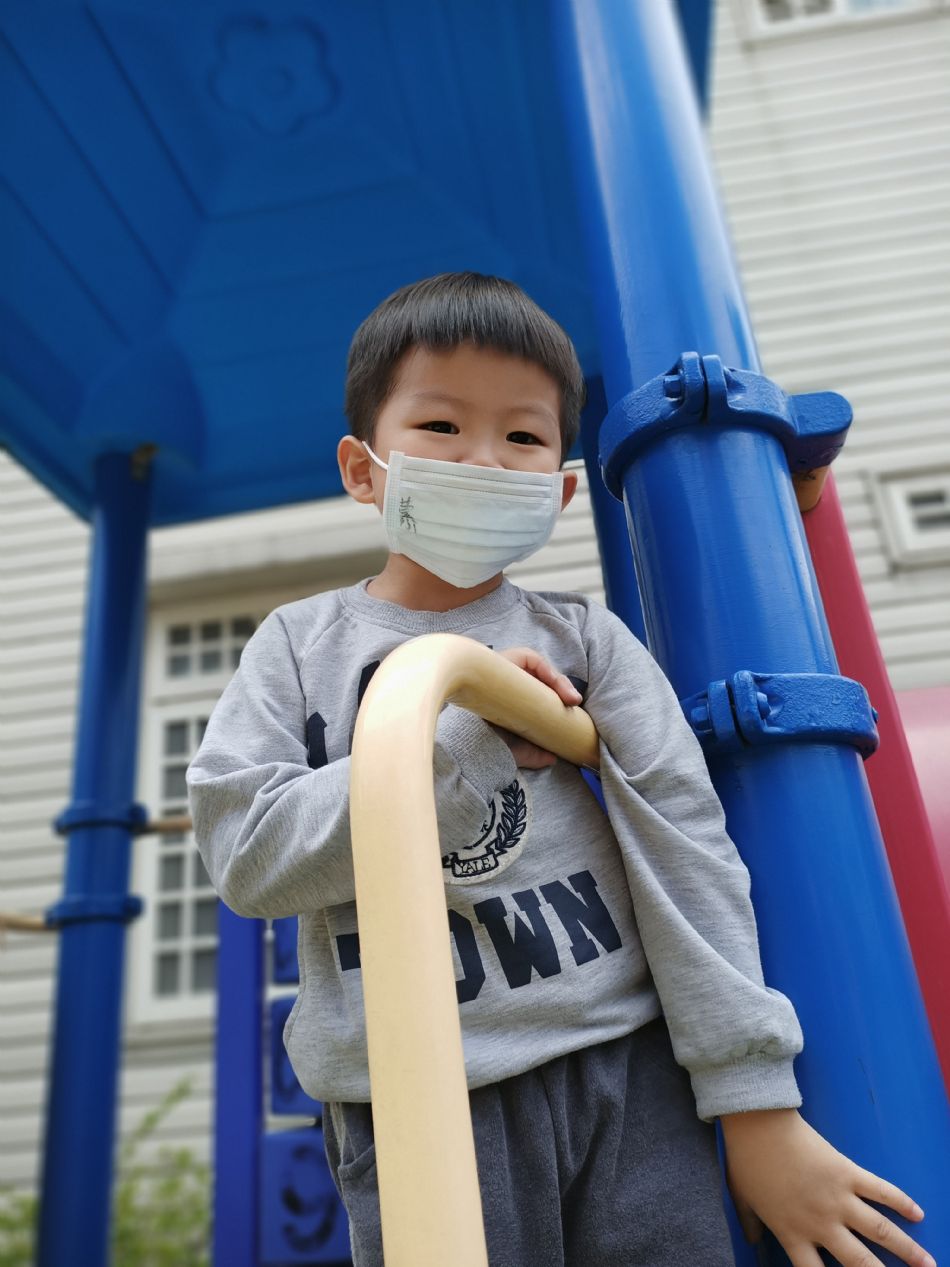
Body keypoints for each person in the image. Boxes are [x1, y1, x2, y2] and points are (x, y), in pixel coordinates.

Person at [187, 273, 933, 1267]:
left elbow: (684, 846)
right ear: (364, 470)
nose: (483, 460)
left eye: (523, 437)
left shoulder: (586, 642)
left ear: (562, 489)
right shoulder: (297, 647)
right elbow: (243, 854)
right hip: (414, 1092)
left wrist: (752, 1103)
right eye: (441, 425)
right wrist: (459, 741)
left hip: (624, 1065)